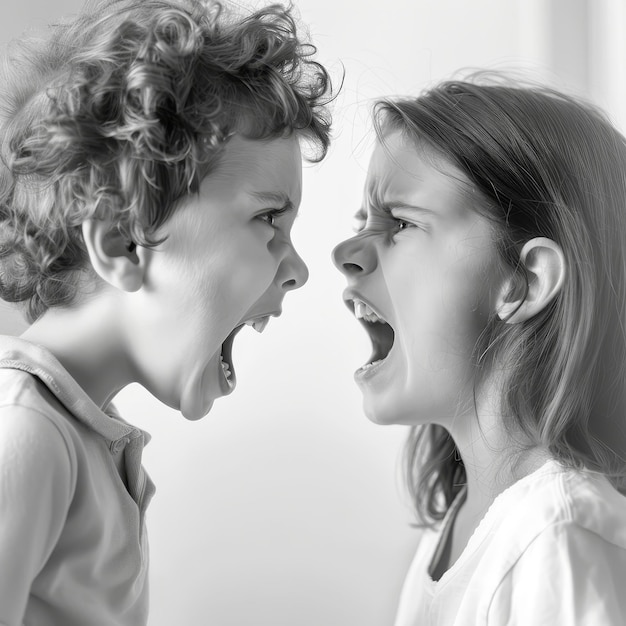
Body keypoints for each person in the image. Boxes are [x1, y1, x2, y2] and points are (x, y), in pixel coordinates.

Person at [0, 0, 332, 622]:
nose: (298, 270)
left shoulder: (78, 431)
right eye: (267, 220)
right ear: (124, 244)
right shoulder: (26, 433)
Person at [332, 75, 626, 625]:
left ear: (524, 281)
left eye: (399, 222)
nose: (345, 252)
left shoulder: (556, 537)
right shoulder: (466, 524)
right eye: (361, 223)